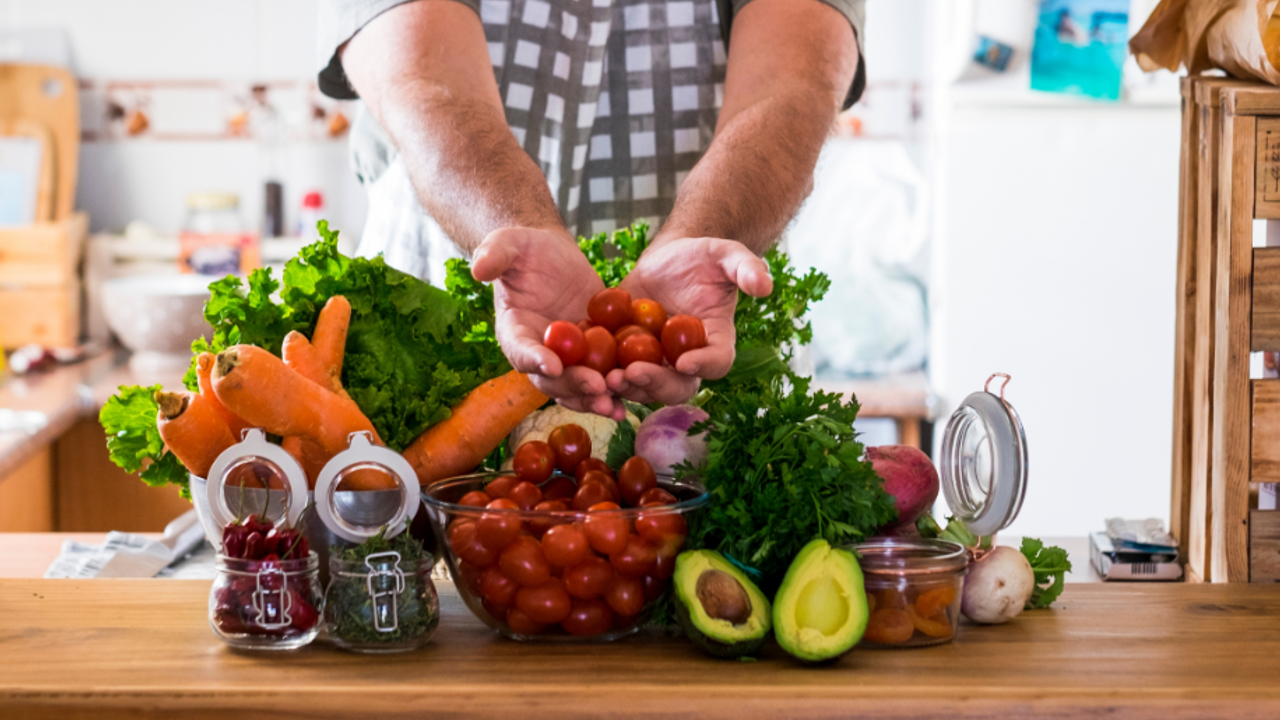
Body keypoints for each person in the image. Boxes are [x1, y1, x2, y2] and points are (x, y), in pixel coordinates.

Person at [318, 0, 864, 419]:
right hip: (439, 296)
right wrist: (512, 226)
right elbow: (419, 74)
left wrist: (703, 231)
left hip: (710, 315)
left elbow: (796, 77)